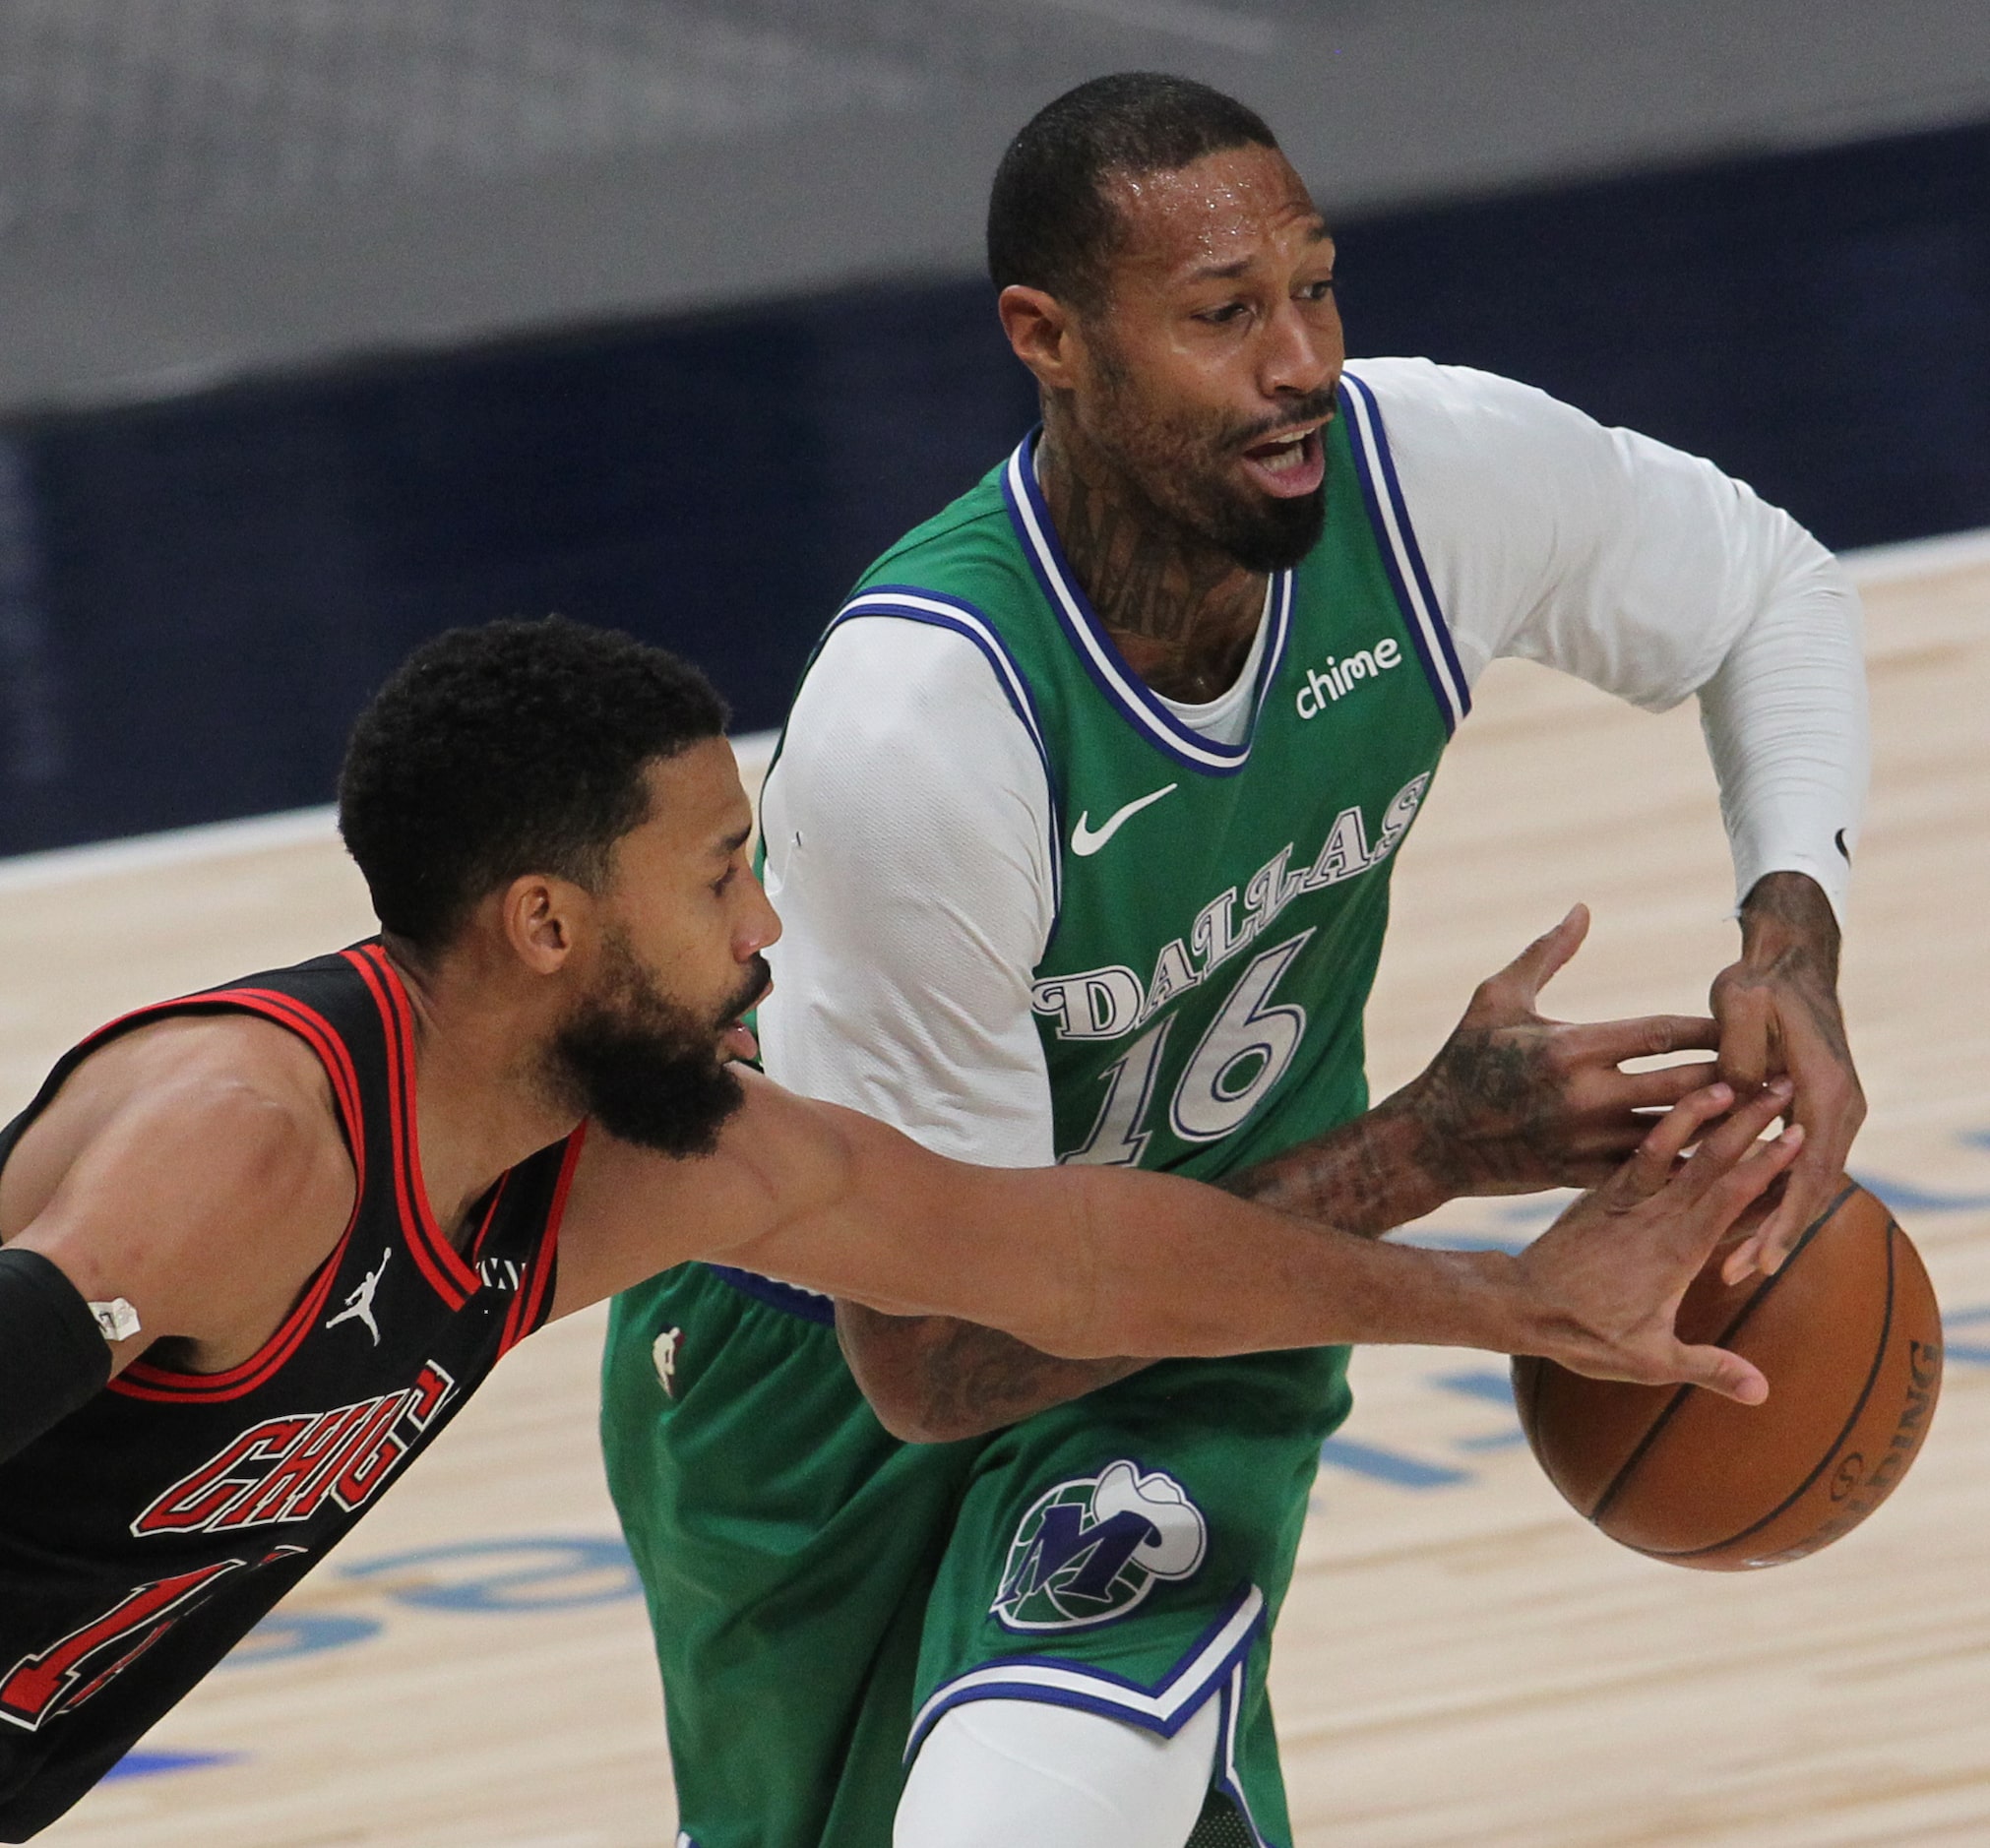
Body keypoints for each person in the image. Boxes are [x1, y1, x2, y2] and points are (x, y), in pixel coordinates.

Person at [598, 74, 1868, 1848]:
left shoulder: (1425, 482)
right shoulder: (926, 724)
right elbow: (943, 1352)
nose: (1300, 364)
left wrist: (1789, 934)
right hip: (825, 1366)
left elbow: (1766, 591)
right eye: (1222, 314)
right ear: (1047, 338)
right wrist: (1428, 1151)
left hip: (1213, 1302)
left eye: (1314, 288)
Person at [0, 618, 1799, 1842]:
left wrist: (1513, 1303)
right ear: (548, 922)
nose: (768, 925)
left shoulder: (625, 1160)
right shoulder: (244, 1148)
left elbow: (1073, 1255)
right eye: (716, 873)